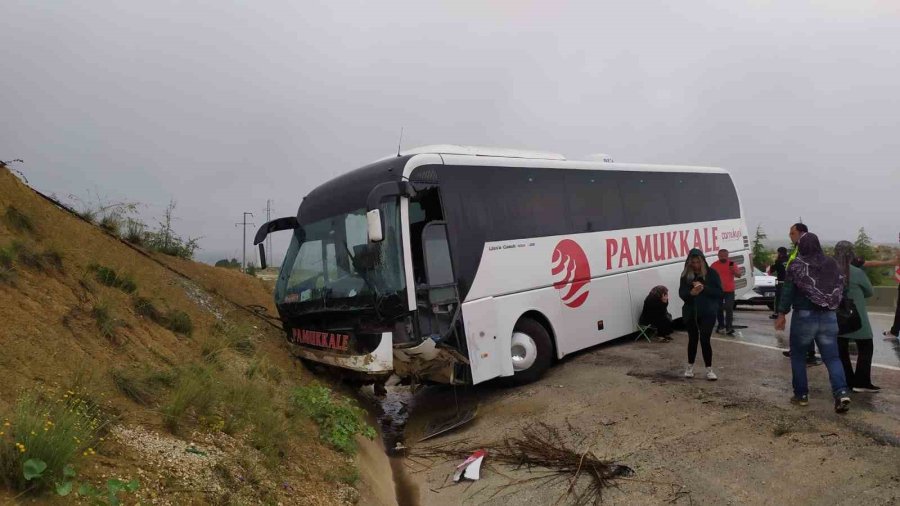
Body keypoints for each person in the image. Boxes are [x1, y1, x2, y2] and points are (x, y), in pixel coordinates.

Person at [774, 233, 851, 413]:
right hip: (829, 316)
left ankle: (801, 395)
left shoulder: (797, 264)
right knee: (832, 357)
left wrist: (781, 313)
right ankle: (841, 393)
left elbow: (788, 290)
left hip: (804, 316)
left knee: (798, 357)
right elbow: (842, 287)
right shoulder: (832, 264)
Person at [833, 241, 879, 393]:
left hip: (836, 316)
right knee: (866, 346)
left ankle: (847, 380)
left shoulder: (830, 270)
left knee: (841, 349)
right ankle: (862, 381)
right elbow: (869, 291)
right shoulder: (857, 272)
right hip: (857, 316)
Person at [679, 249, 723, 380]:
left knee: (705, 339)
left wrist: (704, 288)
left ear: (703, 261)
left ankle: (709, 369)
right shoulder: (685, 276)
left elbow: (719, 293)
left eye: (698, 262)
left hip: (708, 312)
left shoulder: (712, 274)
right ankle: (690, 366)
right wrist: (691, 293)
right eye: (693, 262)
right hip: (691, 312)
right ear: (689, 263)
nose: (696, 265)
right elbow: (682, 293)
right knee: (692, 339)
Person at [781, 223, 820, 366]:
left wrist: (782, 310)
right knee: (803, 328)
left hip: (804, 297)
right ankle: (800, 351)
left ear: (801, 233)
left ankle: (807, 355)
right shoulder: (798, 250)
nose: (790, 235)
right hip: (805, 296)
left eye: (792, 233)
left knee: (804, 328)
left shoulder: (804, 252)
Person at [711, 248, 741, 335]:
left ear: (728, 256)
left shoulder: (732, 263)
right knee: (718, 308)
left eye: (725, 256)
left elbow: (739, 275)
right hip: (718, 290)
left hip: (729, 290)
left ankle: (729, 327)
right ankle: (721, 326)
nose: (723, 257)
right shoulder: (714, 265)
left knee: (729, 308)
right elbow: (709, 277)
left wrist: (733, 270)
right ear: (718, 256)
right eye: (721, 256)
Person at [768, 247, 789, 320]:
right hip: (789, 282)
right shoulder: (790, 259)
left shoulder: (778, 261)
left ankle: (776, 313)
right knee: (786, 299)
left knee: (778, 299)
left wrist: (771, 264)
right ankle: (784, 312)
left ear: (780, 253)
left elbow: (771, 270)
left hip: (780, 282)